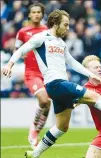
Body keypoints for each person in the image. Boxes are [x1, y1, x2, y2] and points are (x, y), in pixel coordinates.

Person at [2, 9, 101, 158]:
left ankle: (34, 154)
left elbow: (72, 62)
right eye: (65, 25)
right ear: (55, 23)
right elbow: (22, 49)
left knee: (62, 127)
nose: (67, 28)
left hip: (58, 88)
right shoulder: (41, 37)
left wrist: (89, 74)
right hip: (56, 83)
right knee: (95, 97)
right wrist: (9, 64)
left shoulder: (61, 43)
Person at [14, 3, 49, 149]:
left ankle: (36, 132)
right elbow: (17, 50)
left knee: (48, 105)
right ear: (29, 15)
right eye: (33, 12)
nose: (36, 14)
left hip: (47, 73)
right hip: (32, 73)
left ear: (42, 14)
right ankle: (34, 127)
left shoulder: (48, 31)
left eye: (38, 12)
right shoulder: (23, 32)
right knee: (43, 99)